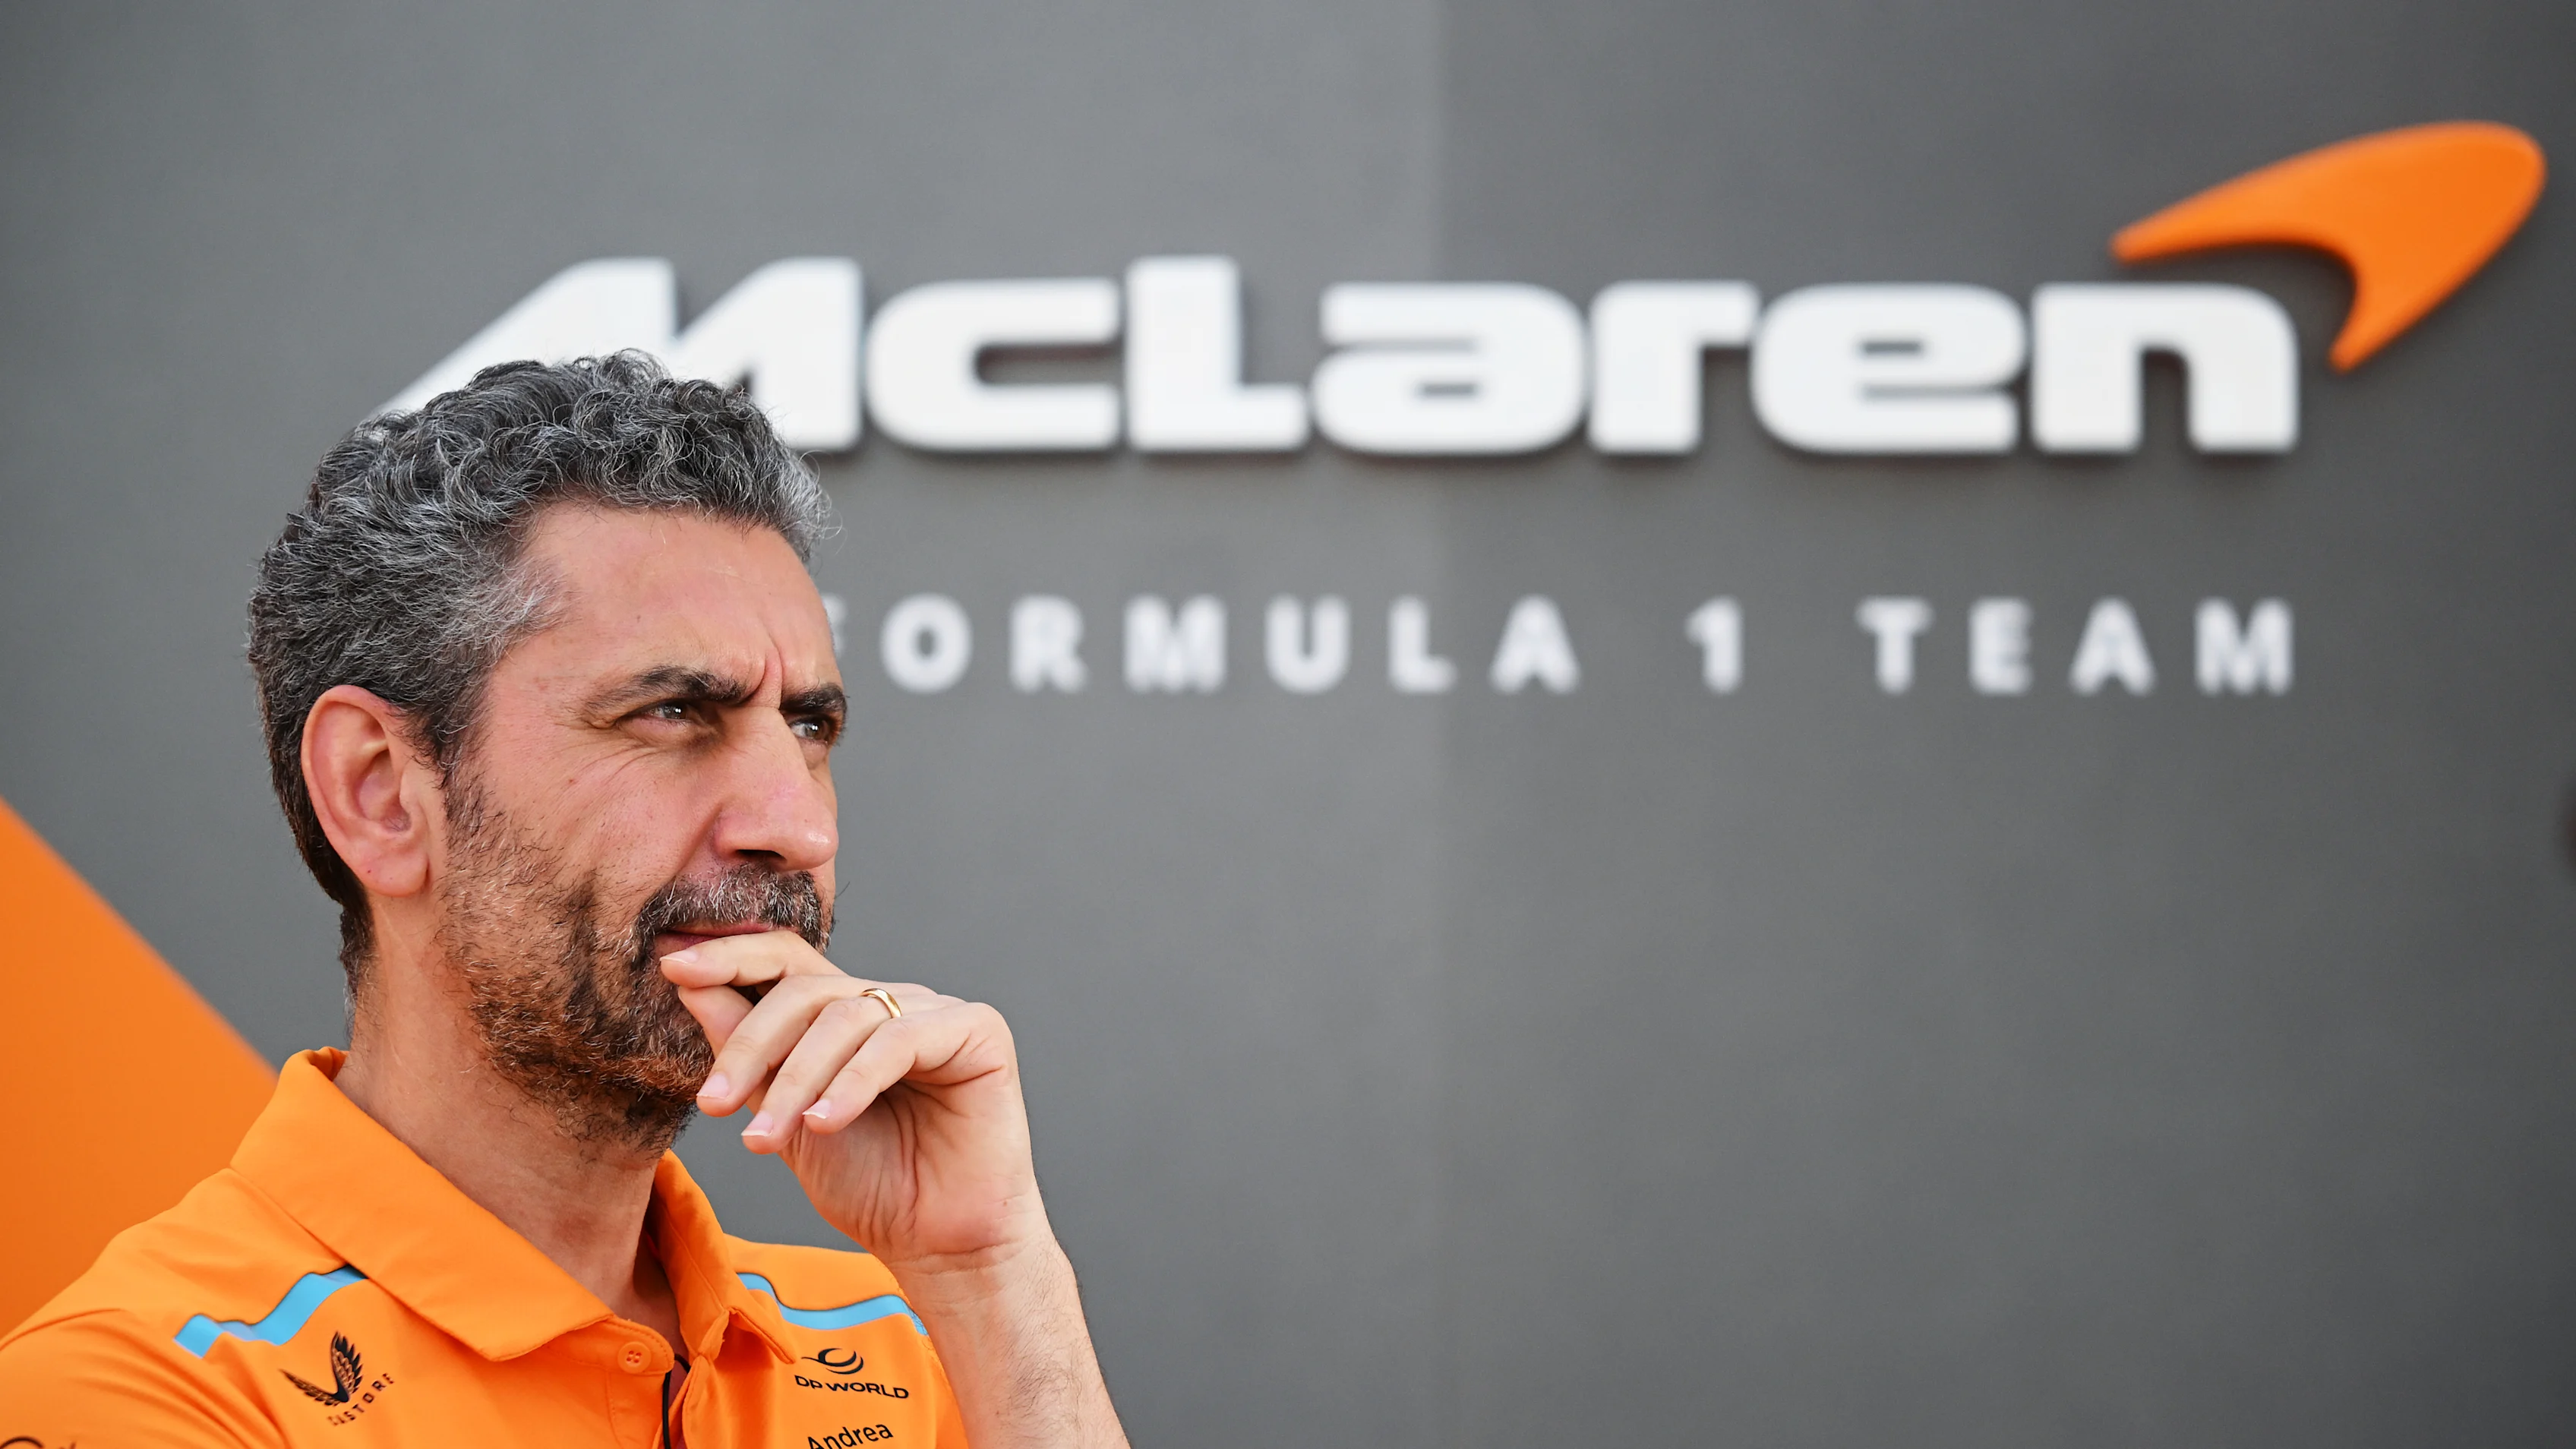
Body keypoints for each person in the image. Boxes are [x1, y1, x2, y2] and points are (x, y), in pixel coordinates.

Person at [0, 355, 1129, 1447]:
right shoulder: (146, 1396)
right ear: (382, 793)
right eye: (674, 714)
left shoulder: (907, 1342)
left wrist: (990, 1271)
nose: (801, 827)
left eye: (808, 727)